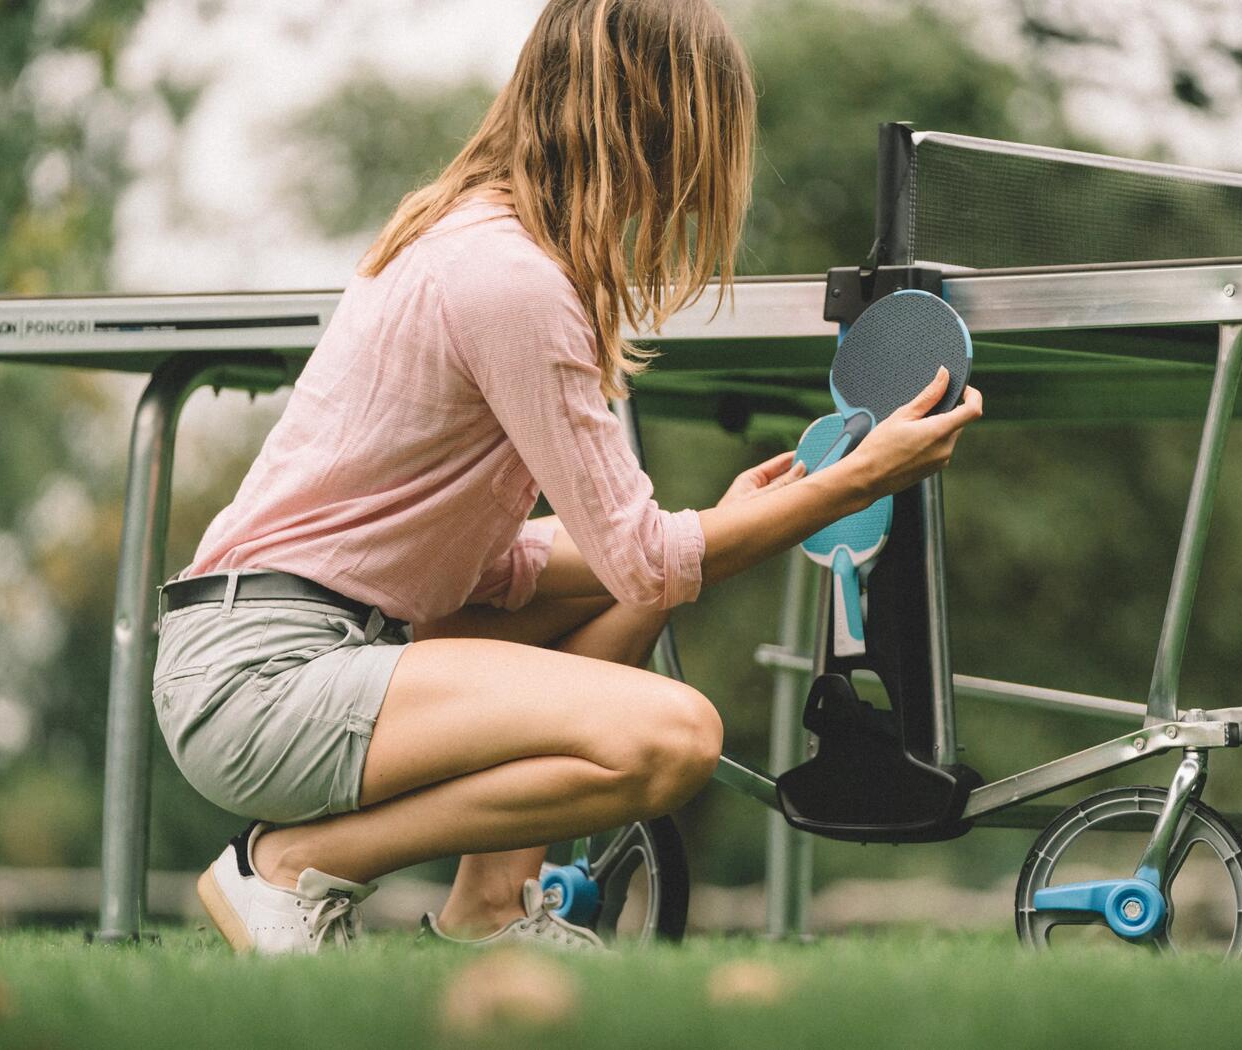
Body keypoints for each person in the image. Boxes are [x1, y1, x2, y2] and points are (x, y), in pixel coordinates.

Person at [151, 0, 982, 955]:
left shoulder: (472, 239)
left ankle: (493, 907)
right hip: (263, 676)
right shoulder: (511, 281)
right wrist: (844, 486)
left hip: (280, 647)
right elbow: (643, 556)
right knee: (674, 737)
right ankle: (287, 867)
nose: (704, 176)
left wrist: (708, 525)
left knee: (648, 594)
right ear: (653, 124)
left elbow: (531, 567)